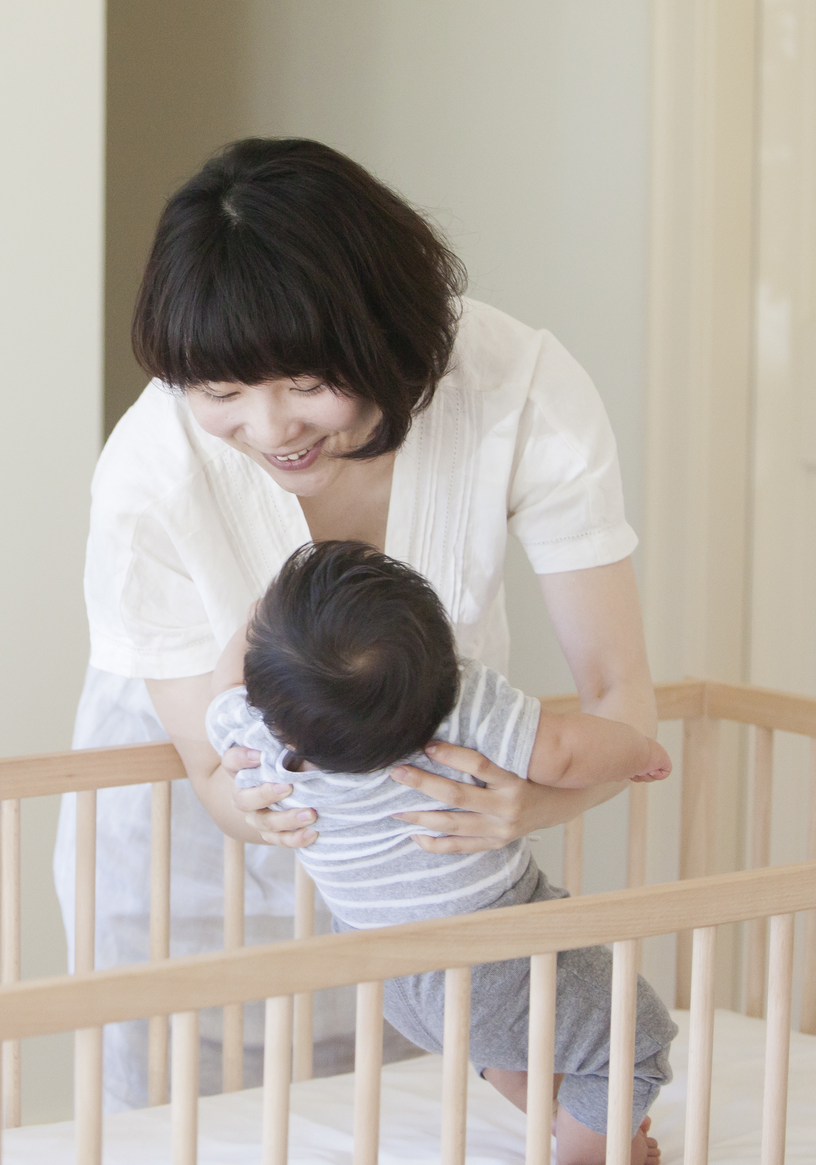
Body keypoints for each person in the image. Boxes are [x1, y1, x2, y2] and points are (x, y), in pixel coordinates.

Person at [57, 137, 657, 1110]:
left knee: (404, 1126)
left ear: (379, 328)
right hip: (196, 859)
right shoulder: (151, 471)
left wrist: (531, 805)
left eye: (303, 381)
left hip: (425, 869)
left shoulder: (519, 392)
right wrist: (265, 807)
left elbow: (622, 700)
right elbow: (210, 777)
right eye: (220, 394)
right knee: (192, 1136)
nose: (269, 427)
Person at [209, 541, 674, 1165]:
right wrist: (636, 751)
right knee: (634, 1035)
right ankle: (594, 1156)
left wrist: (265, 616)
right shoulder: (460, 706)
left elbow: (225, 680)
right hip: (494, 959)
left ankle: (555, 1106)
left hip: (394, 980)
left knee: (511, 1037)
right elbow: (564, 753)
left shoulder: (256, 737)